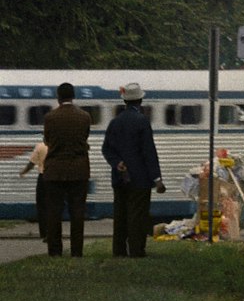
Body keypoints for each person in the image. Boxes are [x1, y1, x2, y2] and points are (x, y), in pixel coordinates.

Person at [102, 83, 165, 258]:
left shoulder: (115, 122)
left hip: (119, 178)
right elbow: (148, 152)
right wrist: (157, 179)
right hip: (140, 179)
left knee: (120, 215)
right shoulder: (142, 121)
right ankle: (136, 250)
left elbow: (106, 149)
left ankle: (119, 250)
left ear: (125, 101)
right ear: (140, 100)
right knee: (137, 215)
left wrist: (117, 163)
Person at [42, 83, 92, 257]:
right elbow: (84, 138)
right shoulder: (85, 116)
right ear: (73, 96)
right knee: (78, 212)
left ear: (58, 97)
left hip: (54, 170)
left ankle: (55, 251)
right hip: (78, 170)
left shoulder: (50, 117)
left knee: (53, 212)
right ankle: (77, 251)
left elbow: (47, 140)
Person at [18, 139, 48, 241]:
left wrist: (23, 172)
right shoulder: (56, 146)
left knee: (41, 207)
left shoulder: (40, 147)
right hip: (54, 178)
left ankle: (44, 233)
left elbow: (31, 163)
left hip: (43, 178)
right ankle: (54, 233)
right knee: (54, 207)